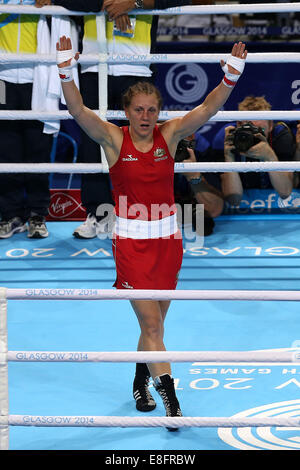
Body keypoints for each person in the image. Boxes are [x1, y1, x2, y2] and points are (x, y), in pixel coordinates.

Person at [56, 34, 247, 427]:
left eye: (152, 109)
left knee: (154, 325)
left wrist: (230, 77)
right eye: (139, 109)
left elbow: (209, 108)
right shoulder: (113, 138)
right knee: (153, 325)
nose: (145, 116)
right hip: (130, 242)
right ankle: (173, 403)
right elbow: (76, 109)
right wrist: (65, 69)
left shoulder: (170, 134)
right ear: (127, 111)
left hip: (168, 241)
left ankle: (141, 380)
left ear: (159, 111)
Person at [0, 0, 53, 239]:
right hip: (2, 77)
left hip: (38, 76)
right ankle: (10, 214)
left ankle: (37, 214)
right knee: (5, 148)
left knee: (38, 148)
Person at [212, 96, 295, 206]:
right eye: (248, 127)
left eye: (259, 130)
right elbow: (234, 200)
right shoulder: (227, 137)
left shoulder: (280, 136)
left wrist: (270, 157)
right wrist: (229, 157)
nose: (253, 135)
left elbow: (285, 192)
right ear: (238, 125)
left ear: (271, 126)